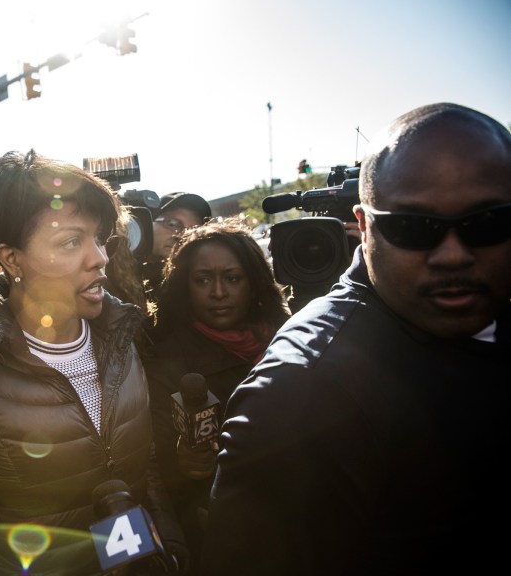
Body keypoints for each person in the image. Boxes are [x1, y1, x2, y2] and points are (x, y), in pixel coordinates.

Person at [202, 103, 511, 574]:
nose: (453, 255)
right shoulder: (300, 390)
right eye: (413, 228)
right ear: (363, 227)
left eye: (487, 224)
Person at [0, 150, 187, 575]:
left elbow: (144, 468)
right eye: (70, 242)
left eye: (98, 238)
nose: (98, 257)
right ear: (12, 259)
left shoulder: (122, 337)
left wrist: (170, 548)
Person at [143, 217, 290, 576]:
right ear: (185, 286)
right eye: (203, 280)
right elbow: (162, 471)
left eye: (233, 278)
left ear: (254, 283)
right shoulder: (167, 363)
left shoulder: (291, 338)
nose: (219, 292)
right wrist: (188, 464)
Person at [141, 192, 211, 341]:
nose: (180, 235)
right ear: (148, 223)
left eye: (193, 231)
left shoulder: (194, 286)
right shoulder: (113, 268)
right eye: (172, 224)